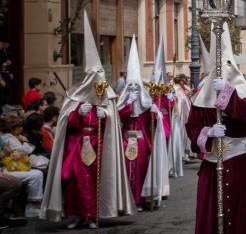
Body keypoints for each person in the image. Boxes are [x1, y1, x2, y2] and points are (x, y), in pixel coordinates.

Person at [39, 11, 135, 228]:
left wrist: (107, 116)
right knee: (74, 180)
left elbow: (114, 120)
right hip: (76, 145)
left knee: (95, 181)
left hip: (99, 144)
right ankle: (76, 215)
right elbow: (64, 123)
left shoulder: (107, 96)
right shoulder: (73, 97)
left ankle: (93, 215)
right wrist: (76, 114)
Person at [187, 23, 246, 234]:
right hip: (211, 166)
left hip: (238, 165)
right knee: (210, 217)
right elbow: (191, 127)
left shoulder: (242, 90)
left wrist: (227, 93)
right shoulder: (201, 95)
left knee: (238, 215)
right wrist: (207, 132)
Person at [116, 36, 169, 211]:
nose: (133, 91)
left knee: (140, 171)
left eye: (136, 88)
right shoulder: (124, 104)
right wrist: (129, 104)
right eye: (129, 87)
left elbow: (153, 124)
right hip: (124, 141)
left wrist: (155, 114)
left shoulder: (146, 105)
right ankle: (125, 201)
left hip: (140, 142)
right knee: (124, 171)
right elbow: (120, 117)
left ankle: (138, 200)